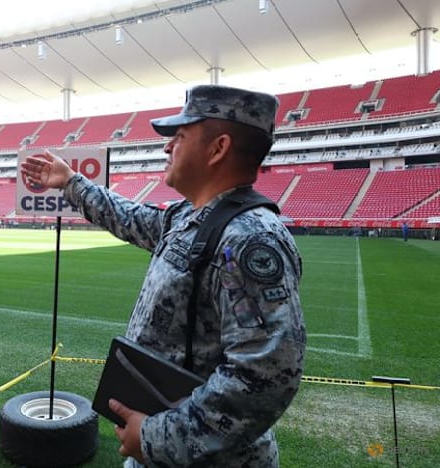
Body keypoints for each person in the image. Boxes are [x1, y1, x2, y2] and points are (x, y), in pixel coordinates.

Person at [21, 85, 306, 467]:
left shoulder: (249, 239)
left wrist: (159, 438)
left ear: (218, 148)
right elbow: (130, 219)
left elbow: (266, 374)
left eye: (180, 136)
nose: (167, 148)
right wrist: (72, 182)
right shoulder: (191, 217)